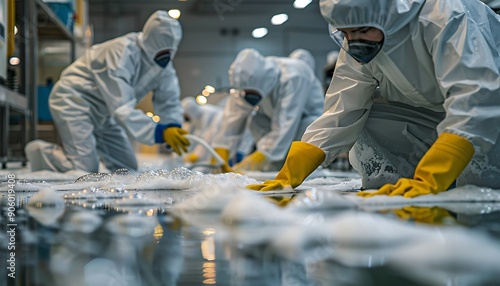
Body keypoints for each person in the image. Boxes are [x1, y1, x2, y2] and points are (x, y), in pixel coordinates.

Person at [248, 0, 500, 198]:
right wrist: (291, 172)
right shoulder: (358, 39)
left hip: (491, 111)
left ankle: (451, 183)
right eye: (346, 33)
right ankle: (406, 186)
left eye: (363, 30)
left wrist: (433, 175)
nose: (356, 42)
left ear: (388, 13)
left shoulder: (446, 15)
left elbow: (476, 97)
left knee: (481, 189)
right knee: (370, 117)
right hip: (437, 111)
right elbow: (342, 109)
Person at [25, 11, 190, 173]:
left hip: (104, 113)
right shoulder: (122, 52)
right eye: (162, 52)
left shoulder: (163, 68)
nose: (166, 57)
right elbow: (122, 107)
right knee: (85, 170)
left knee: (127, 169)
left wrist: (172, 125)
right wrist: (159, 132)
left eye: (169, 52)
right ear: (150, 41)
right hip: (74, 101)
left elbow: (169, 100)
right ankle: (40, 152)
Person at [212, 48, 325, 172]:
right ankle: (273, 163)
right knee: (255, 120)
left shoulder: (294, 75)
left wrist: (261, 156)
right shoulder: (244, 84)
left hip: (304, 123)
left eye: (253, 95)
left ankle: (299, 166)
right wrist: (221, 152)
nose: (250, 99)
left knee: (307, 125)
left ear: (265, 83)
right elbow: (231, 120)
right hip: (277, 122)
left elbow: (286, 123)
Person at [181, 97, 254, 167]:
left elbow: (206, 136)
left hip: (225, 140)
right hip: (220, 141)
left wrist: (197, 154)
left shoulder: (207, 113)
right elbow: (195, 134)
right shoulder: (196, 116)